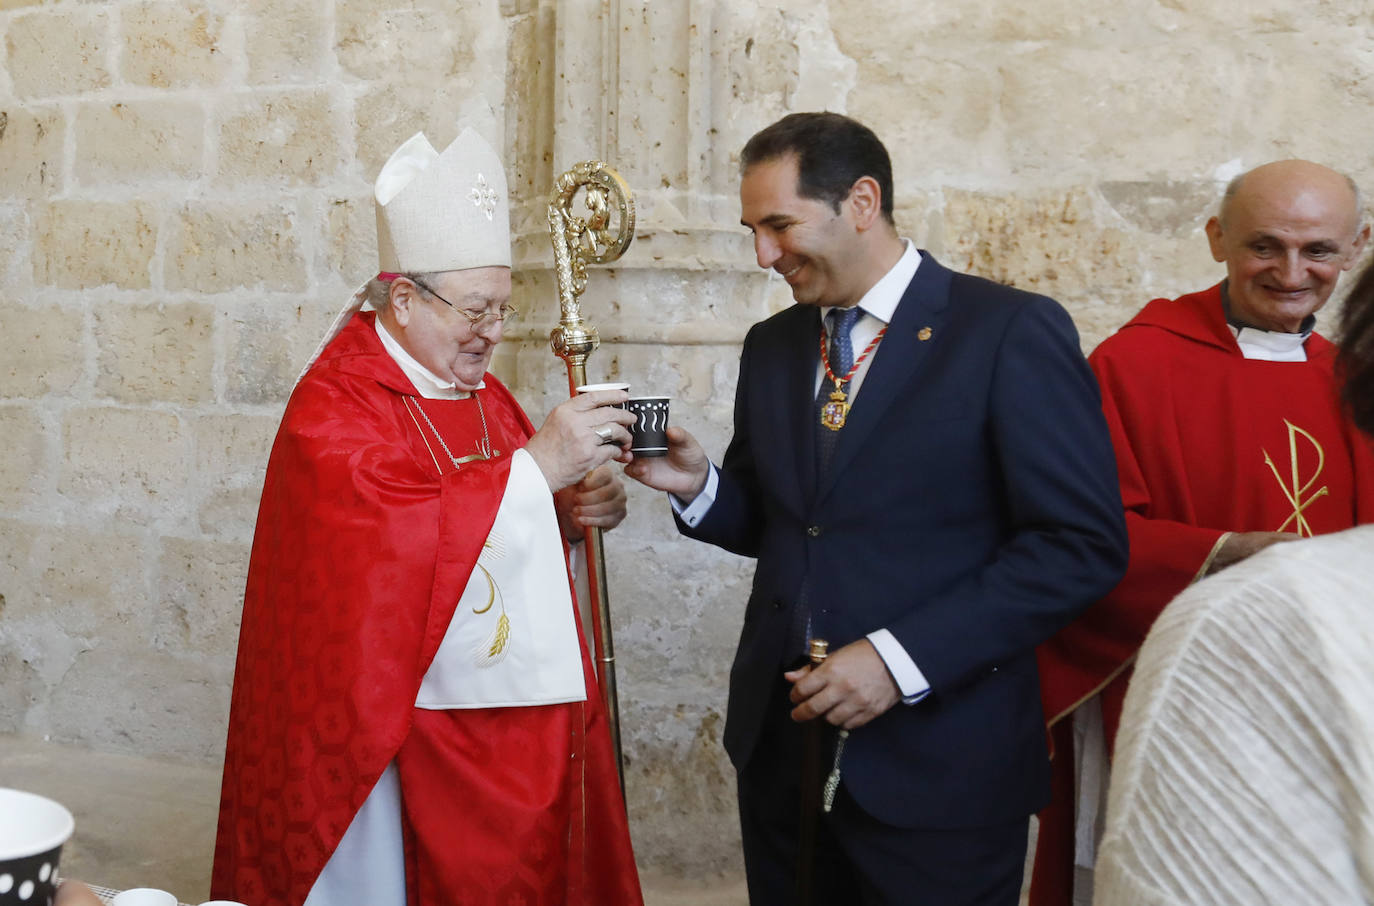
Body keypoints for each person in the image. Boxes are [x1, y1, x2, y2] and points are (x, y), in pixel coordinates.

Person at [625, 112, 1128, 905]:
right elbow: (788, 525)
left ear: (862, 201)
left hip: (943, 771)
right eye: (754, 230)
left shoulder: (1008, 331)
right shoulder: (776, 344)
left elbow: (1080, 545)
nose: (764, 255)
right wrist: (697, 485)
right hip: (782, 756)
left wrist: (897, 661)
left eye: (780, 225)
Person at [210, 128, 643, 906]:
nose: (492, 332)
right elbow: (378, 539)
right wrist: (540, 468)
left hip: (498, 723)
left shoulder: (484, 395)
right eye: (474, 309)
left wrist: (573, 510)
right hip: (385, 740)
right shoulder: (333, 403)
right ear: (403, 299)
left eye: (503, 310)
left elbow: (511, 510)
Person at [1032, 160, 1374, 905]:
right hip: (1182, 689)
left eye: (1318, 250)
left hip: (1332, 698)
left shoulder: (1357, 378)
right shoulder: (1135, 363)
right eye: (1264, 246)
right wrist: (1230, 552)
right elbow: (1082, 539)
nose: (1291, 272)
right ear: (1217, 238)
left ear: (1357, 247)